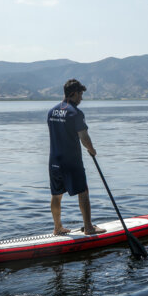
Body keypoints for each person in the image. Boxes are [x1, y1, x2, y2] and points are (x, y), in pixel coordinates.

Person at [48, 79, 105, 235]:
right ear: (73, 93)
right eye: (80, 94)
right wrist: (92, 149)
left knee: (56, 195)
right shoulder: (75, 113)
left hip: (54, 161)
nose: (81, 98)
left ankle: (57, 228)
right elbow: (84, 137)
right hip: (71, 161)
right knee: (83, 192)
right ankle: (88, 227)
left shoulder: (52, 111)